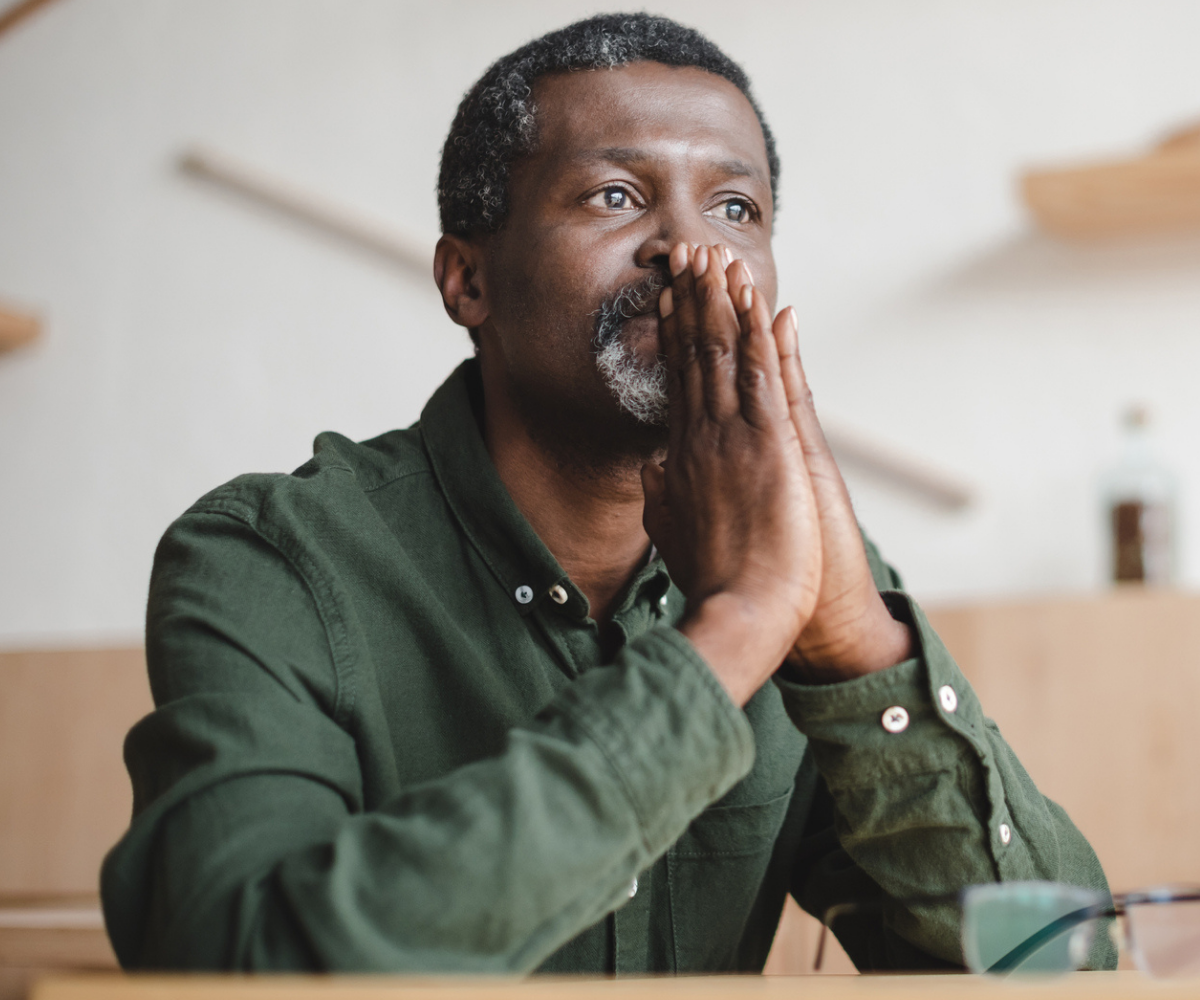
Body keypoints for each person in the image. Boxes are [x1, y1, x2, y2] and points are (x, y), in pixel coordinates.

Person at [101, 13, 1113, 974]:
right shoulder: (270, 557)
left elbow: (1053, 969)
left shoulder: (805, 570)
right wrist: (738, 627)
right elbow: (235, 961)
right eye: (615, 197)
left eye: (734, 208)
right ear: (467, 281)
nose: (689, 251)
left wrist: (855, 643)